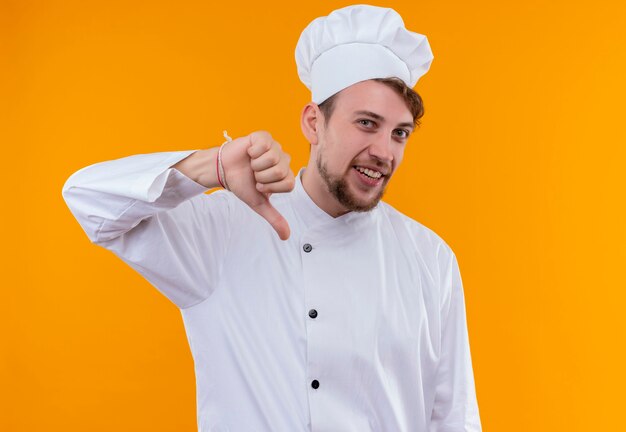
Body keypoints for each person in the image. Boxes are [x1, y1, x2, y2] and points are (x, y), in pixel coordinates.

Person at [62, 4, 482, 431]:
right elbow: (88, 201)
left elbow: (454, 418)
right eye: (367, 123)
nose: (384, 151)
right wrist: (213, 168)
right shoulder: (225, 230)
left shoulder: (430, 259)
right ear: (314, 123)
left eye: (400, 133)